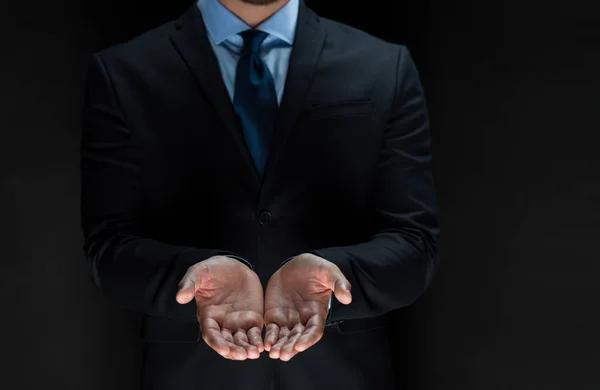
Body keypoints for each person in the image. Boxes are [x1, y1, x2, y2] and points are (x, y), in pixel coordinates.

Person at [80, 0, 439, 388]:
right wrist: (191, 278)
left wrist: (336, 280)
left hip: (343, 375)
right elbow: (108, 247)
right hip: (193, 377)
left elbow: (413, 243)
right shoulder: (124, 71)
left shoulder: (383, 65)